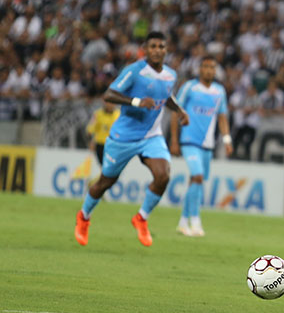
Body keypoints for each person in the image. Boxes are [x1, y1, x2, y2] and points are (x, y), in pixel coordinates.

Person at [74, 31, 189, 247]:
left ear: (166, 50)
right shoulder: (135, 71)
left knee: (163, 176)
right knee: (106, 182)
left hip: (152, 137)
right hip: (123, 138)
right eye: (152, 46)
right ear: (145, 49)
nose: (157, 50)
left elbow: (165, 96)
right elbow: (109, 95)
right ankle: (84, 216)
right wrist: (136, 102)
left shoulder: (170, 75)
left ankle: (141, 218)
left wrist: (179, 110)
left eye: (161, 46)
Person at [170, 55, 233, 237]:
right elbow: (176, 111)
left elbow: (222, 117)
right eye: (205, 66)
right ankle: (196, 221)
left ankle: (183, 222)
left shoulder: (219, 91)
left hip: (208, 144)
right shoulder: (190, 87)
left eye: (212, 67)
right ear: (199, 69)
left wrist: (227, 140)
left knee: (196, 181)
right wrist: (174, 140)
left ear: (215, 70)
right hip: (189, 141)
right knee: (197, 177)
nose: (208, 70)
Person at [86, 100, 120, 165]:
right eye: (109, 102)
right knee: (103, 166)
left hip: (113, 145)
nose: (110, 105)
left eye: (112, 102)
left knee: (113, 166)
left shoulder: (118, 115)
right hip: (101, 145)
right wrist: (91, 141)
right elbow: (90, 129)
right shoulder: (98, 114)